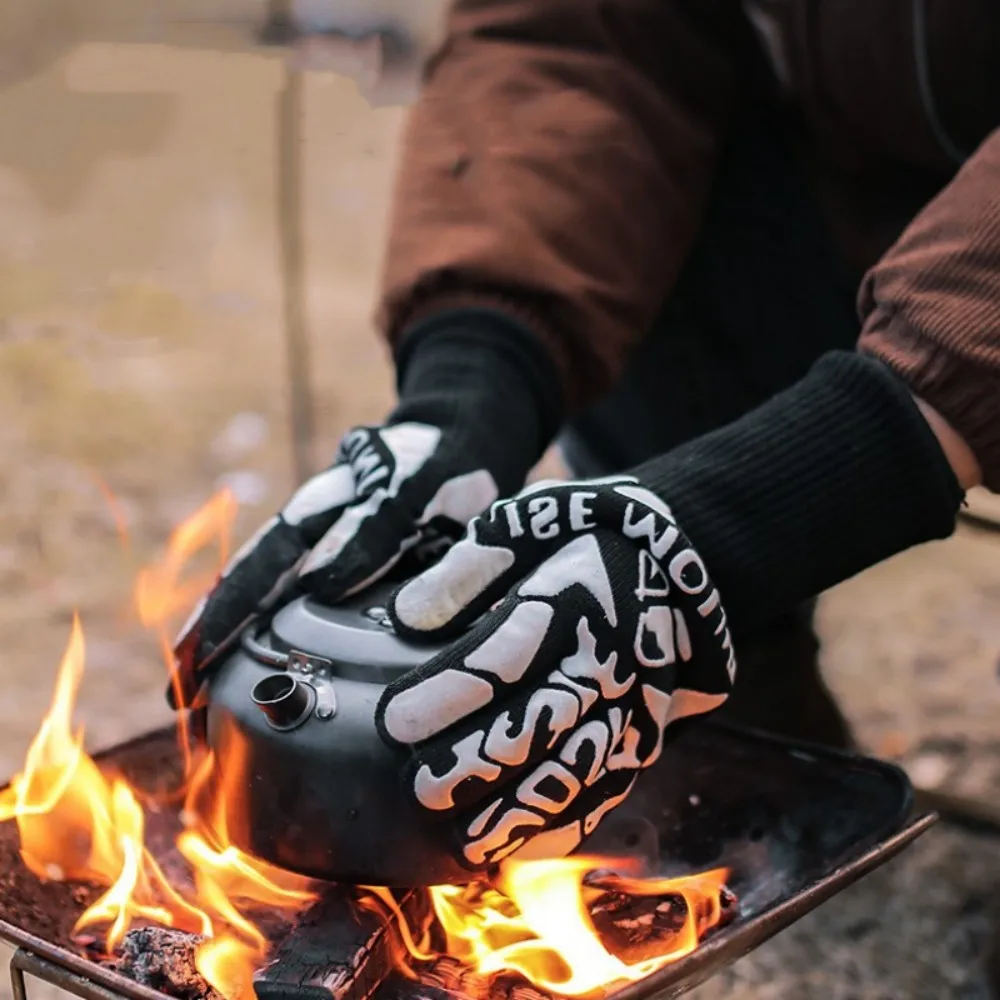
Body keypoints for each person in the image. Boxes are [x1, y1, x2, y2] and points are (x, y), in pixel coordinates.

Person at [173, 0, 999, 868]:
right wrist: (467, 394)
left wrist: (744, 518)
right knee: (673, 161)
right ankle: (727, 719)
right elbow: (573, 36)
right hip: (843, 198)